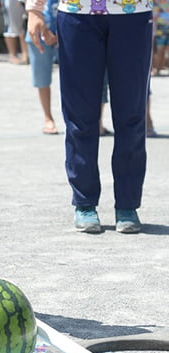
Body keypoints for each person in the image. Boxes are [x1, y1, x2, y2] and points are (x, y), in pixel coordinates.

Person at [26, 0, 153, 234]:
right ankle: (84, 203)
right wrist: (34, 10)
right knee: (79, 116)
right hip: (77, 14)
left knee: (131, 115)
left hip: (133, 14)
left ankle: (127, 205)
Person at [25, 0, 59, 134]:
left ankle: (89, 120)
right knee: (42, 79)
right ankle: (48, 117)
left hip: (69, 26)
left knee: (77, 80)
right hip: (38, 28)